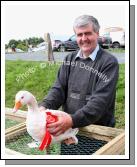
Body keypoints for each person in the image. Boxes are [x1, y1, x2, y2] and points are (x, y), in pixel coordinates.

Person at [39, 15, 119, 137]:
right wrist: (44, 107)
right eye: (79, 34)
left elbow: (100, 101)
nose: (84, 38)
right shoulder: (69, 59)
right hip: (69, 131)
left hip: (97, 132)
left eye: (88, 33)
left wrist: (72, 120)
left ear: (97, 33)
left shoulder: (109, 62)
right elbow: (59, 89)